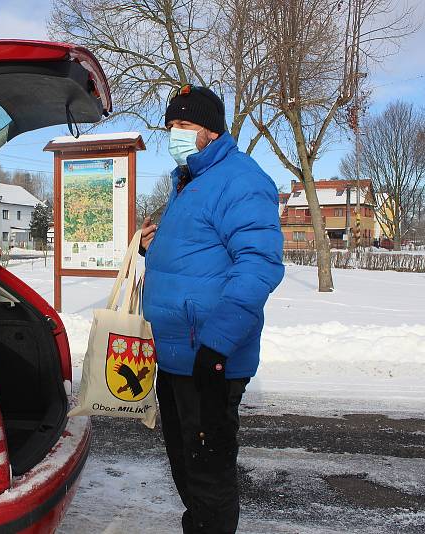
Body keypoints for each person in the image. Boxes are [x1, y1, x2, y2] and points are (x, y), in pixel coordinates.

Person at [140, 84, 284, 533]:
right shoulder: (191, 181)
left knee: (209, 476)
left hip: (210, 358)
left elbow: (258, 264)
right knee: (187, 469)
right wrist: (154, 245)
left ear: (211, 129)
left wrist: (217, 345)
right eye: (170, 126)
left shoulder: (240, 179)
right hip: (178, 357)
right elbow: (201, 253)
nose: (174, 134)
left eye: (183, 125)